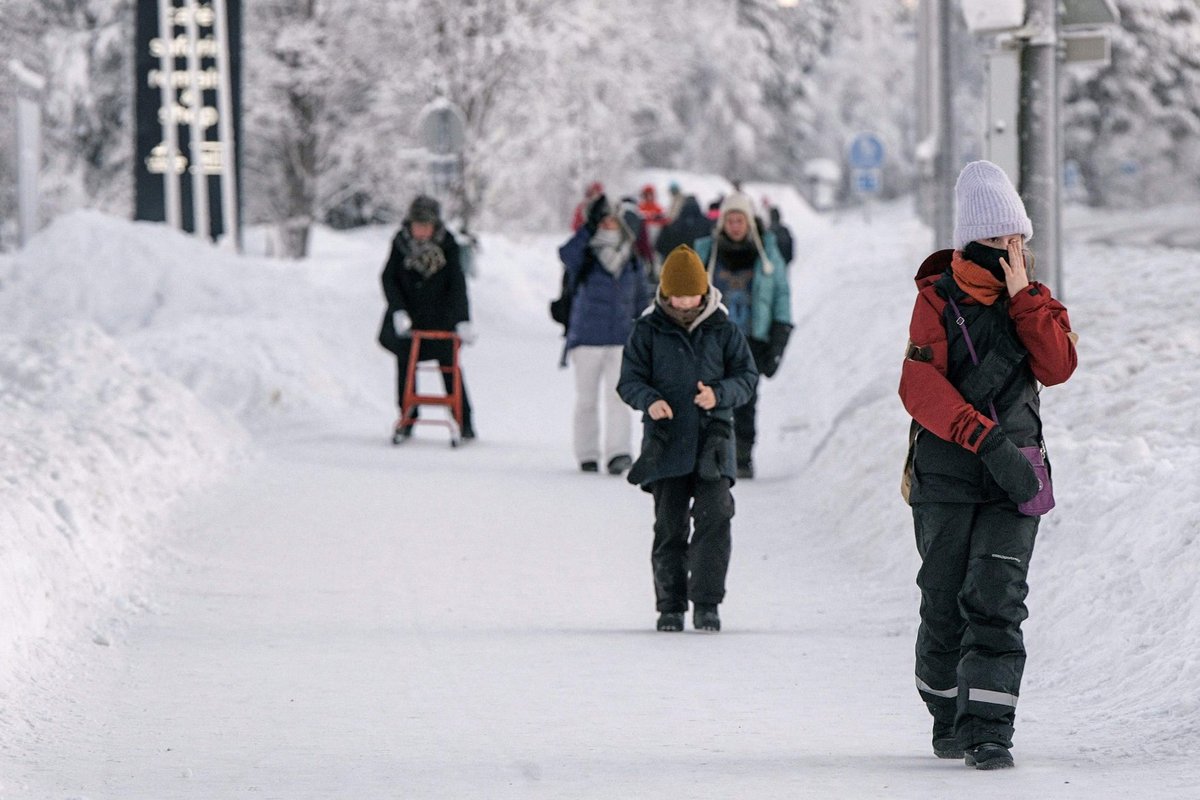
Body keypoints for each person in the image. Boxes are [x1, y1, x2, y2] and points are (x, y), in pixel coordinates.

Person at [899, 160, 1078, 770]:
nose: (1015, 252)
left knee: (997, 598)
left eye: (1021, 241)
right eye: (1004, 241)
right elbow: (918, 387)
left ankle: (990, 731)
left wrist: (1026, 297)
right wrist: (982, 437)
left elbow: (1058, 367)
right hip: (948, 477)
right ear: (976, 241)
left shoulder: (1034, 301)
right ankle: (946, 710)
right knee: (944, 602)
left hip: (1016, 478)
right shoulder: (936, 300)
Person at [617, 245, 758, 633]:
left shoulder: (724, 328)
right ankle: (671, 606)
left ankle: (707, 604)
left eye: (690, 294)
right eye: (676, 295)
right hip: (666, 443)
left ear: (703, 290)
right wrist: (651, 401)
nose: (683, 302)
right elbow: (628, 381)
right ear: (664, 293)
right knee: (669, 527)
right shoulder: (647, 329)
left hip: (714, 441)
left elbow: (747, 378)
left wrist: (719, 395)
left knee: (716, 519)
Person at [693, 191, 792, 478]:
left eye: (741, 220)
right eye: (730, 220)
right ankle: (713, 453)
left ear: (749, 222)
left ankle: (743, 455)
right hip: (712, 339)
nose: (735, 226)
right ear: (722, 222)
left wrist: (779, 335)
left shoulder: (767, 253)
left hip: (750, 339)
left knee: (746, 400)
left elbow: (781, 295)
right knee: (709, 396)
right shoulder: (705, 252)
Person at [558, 194, 649, 474]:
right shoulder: (584, 253)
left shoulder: (631, 257)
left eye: (613, 219)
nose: (609, 224)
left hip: (621, 338)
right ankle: (587, 453)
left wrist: (642, 332)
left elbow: (641, 299)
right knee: (586, 399)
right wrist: (587, 227)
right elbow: (565, 253)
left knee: (619, 398)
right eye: (604, 218)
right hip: (587, 338)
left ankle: (618, 453)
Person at [378, 194, 477, 441]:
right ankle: (407, 416)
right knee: (405, 365)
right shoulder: (400, 244)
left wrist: (462, 319)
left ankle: (463, 420)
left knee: (450, 368)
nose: (421, 231)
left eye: (426, 226)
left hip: (441, 319)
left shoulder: (448, 245)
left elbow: (457, 284)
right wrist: (398, 309)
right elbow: (388, 278)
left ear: (435, 227)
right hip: (409, 320)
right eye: (417, 226)